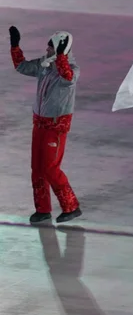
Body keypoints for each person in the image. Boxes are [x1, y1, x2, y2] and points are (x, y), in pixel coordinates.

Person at [9, 25, 82, 224]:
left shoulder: (71, 71)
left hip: (56, 127)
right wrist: (15, 45)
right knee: (37, 168)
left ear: (61, 49)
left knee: (51, 168)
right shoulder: (45, 65)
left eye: (51, 47)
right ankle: (42, 209)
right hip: (39, 124)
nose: (47, 50)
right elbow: (22, 67)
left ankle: (71, 206)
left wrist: (60, 57)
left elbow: (67, 76)